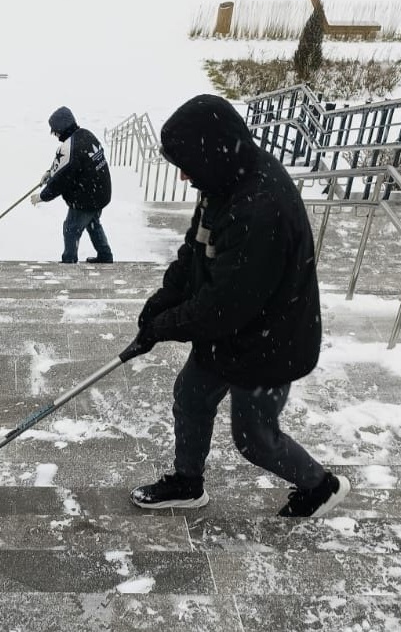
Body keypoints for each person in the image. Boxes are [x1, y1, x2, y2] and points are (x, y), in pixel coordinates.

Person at [118, 94, 350, 518]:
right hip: (230, 331)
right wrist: (162, 302)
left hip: (270, 340)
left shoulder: (262, 208)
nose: (185, 175)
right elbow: (196, 249)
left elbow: (224, 306)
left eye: (188, 163)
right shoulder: (221, 179)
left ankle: (321, 485)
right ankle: (188, 483)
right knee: (191, 395)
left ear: (211, 151)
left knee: (254, 439)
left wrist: (164, 327)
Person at [31, 106, 114, 264]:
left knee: (71, 229)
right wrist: (50, 172)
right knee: (93, 223)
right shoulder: (85, 134)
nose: (54, 134)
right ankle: (105, 256)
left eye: (54, 130)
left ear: (61, 127)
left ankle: (69, 262)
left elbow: (61, 179)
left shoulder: (70, 147)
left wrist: (42, 196)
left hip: (86, 198)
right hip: (101, 192)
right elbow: (65, 165)